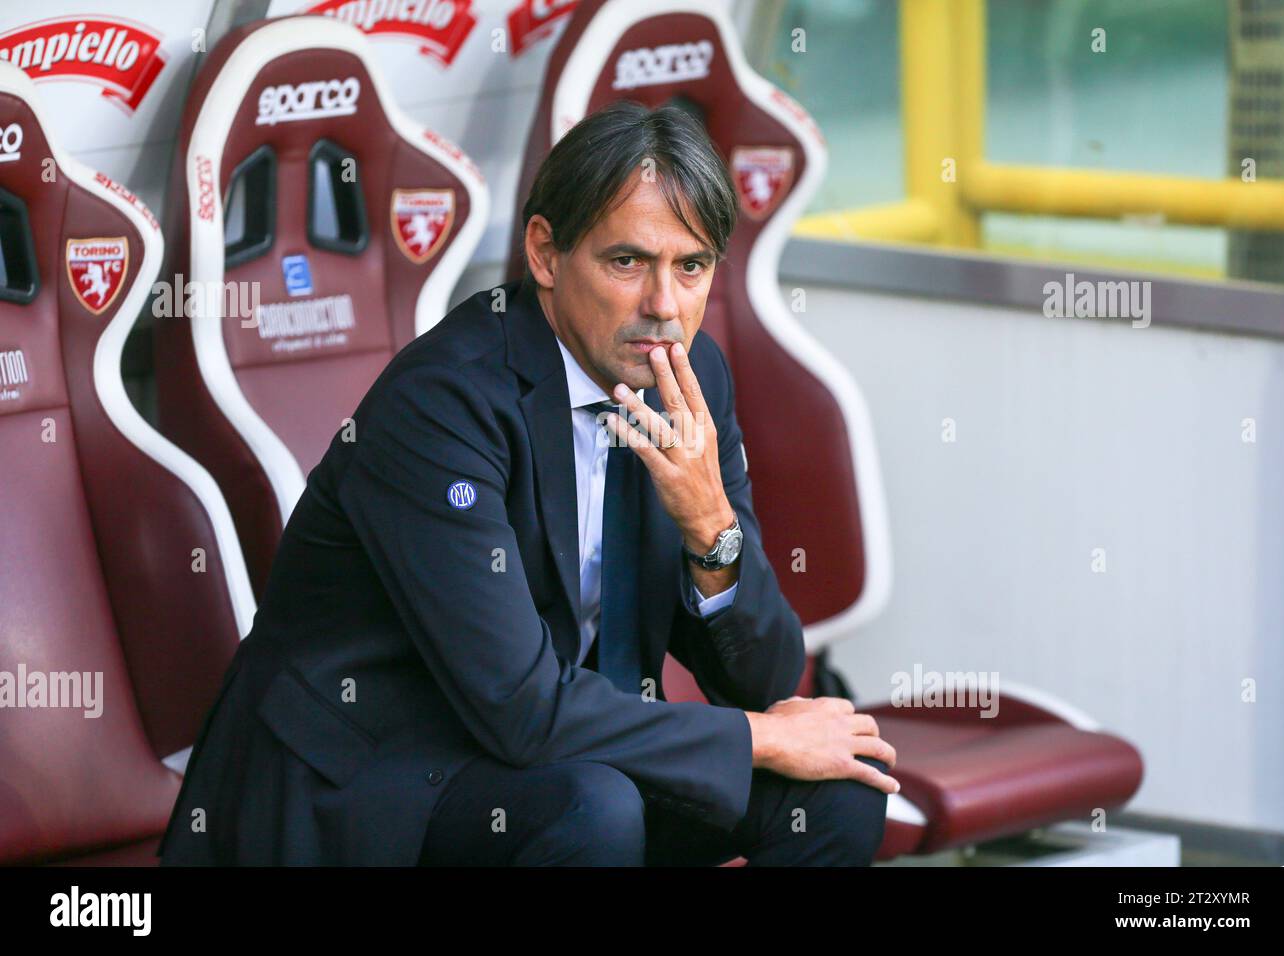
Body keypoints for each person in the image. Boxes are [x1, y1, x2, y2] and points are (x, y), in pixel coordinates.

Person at [158, 100, 899, 867]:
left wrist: (712, 530)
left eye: (691, 266)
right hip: (373, 778)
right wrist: (765, 738)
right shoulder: (443, 401)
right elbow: (521, 709)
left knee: (840, 789)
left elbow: (766, 677)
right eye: (627, 262)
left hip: (559, 758)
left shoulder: (691, 375)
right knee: (596, 809)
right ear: (545, 254)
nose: (665, 307)